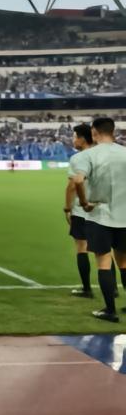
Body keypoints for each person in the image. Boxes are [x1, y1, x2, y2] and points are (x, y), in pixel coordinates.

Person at [73, 116, 126, 322]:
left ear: (94, 132)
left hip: (99, 215)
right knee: (123, 262)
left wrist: (84, 202)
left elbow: (78, 180)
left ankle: (110, 310)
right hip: (124, 215)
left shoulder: (88, 155)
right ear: (113, 132)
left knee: (104, 262)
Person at [65, 124, 95, 298]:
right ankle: (112, 289)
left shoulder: (78, 158)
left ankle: (86, 289)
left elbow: (72, 185)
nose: (73, 140)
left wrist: (67, 207)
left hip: (81, 209)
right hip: (101, 208)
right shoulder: (101, 155)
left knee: (81, 247)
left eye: (74, 136)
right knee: (104, 251)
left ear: (82, 138)